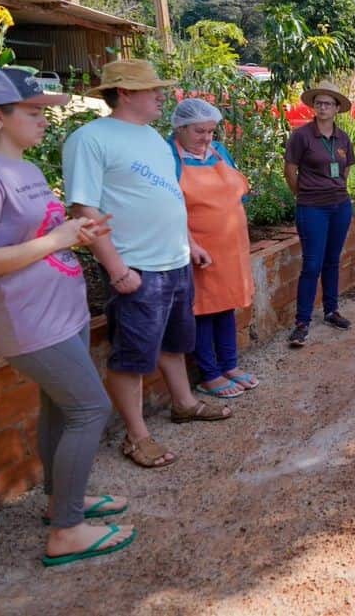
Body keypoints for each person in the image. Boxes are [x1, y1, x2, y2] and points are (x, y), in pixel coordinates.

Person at [0, 67, 134, 566]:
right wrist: (58, 238)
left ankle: (60, 503)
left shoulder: (21, 166)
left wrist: (78, 230)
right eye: (33, 112)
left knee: (62, 408)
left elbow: (35, 234)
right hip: (26, 321)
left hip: (57, 313)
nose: (44, 120)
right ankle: (67, 531)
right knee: (91, 408)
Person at [65, 59, 232, 471]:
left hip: (174, 261)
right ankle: (136, 436)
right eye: (152, 89)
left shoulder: (152, 138)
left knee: (174, 342)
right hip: (137, 266)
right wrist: (117, 269)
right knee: (133, 356)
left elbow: (169, 197)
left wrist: (188, 243)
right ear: (123, 93)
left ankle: (184, 403)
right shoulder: (90, 139)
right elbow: (84, 209)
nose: (162, 96)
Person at [168, 98, 257, 399]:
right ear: (179, 129)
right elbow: (166, 206)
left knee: (227, 304)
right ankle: (209, 373)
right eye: (199, 132)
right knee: (203, 310)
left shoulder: (220, 152)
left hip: (231, 245)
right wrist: (189, 243)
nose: (206, 138)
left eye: (210, 131)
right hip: (198, 247)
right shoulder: (169, 156)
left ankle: (229, 364)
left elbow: (237, 193)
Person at [284, 79, 355, 347]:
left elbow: (346, 168)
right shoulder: (302, 136)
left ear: (337, 108)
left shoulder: (343, 138)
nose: (323, 107)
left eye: (328, 103)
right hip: (312, 207)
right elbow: (290, 170)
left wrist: (335, 187)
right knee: (312, 263)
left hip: (339, 205)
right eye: (319, 103)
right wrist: (303, 193)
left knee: (332, 260)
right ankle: (302, 322)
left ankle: (331, 310)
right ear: (313, 107)